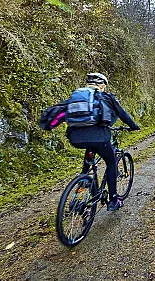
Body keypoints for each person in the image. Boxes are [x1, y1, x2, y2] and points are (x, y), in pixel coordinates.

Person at [66, 72, 140, 211]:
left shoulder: (77, 97)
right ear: (102, 85)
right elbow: (122, 114)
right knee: (111, 162)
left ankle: (79, 190)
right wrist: (134, 126)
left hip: (76, 138)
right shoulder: (106, 97)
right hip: (99, 137)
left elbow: (62, 113)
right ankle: (113, 200)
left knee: (89, 157)